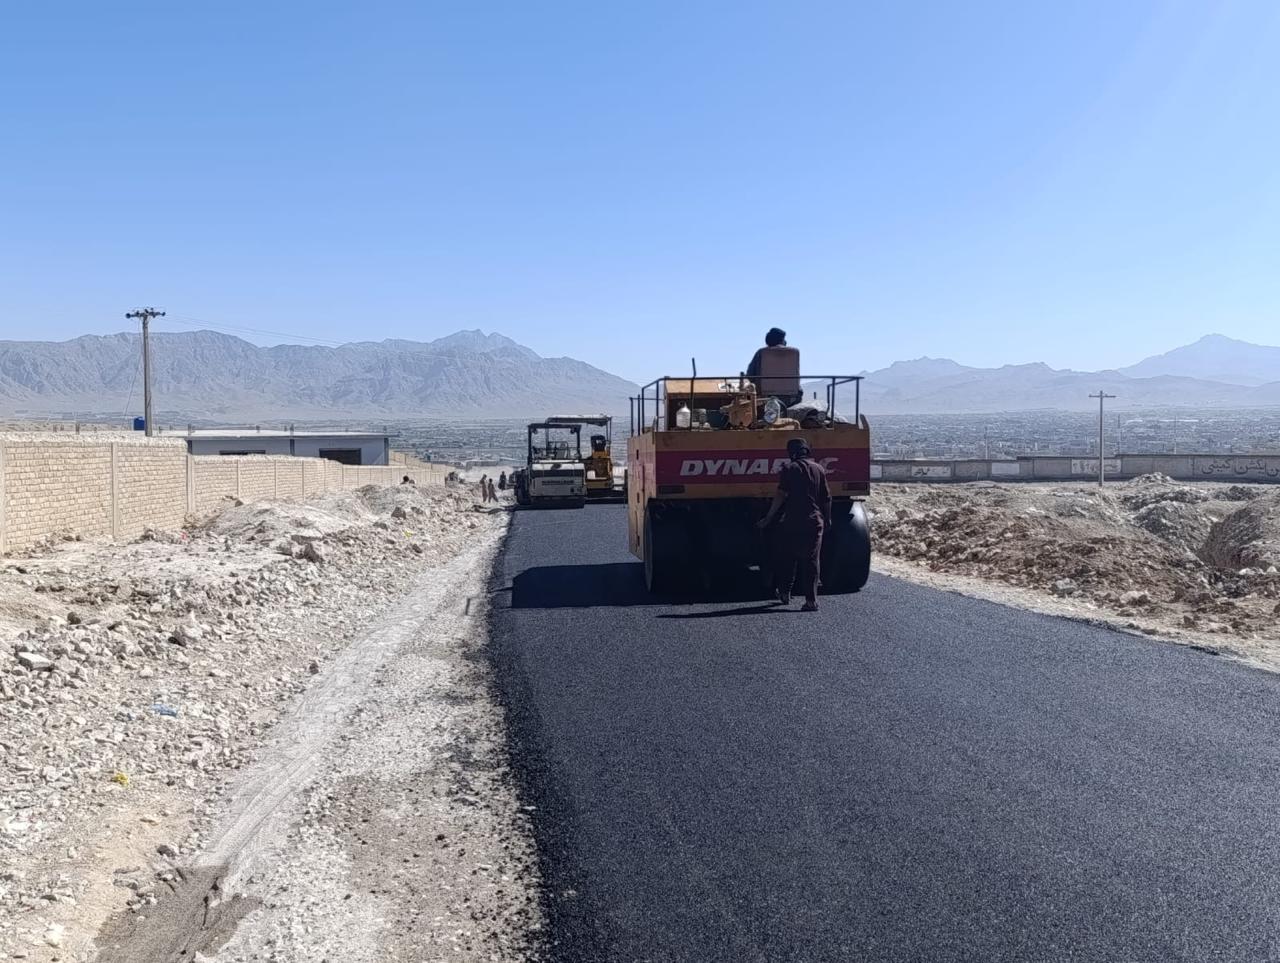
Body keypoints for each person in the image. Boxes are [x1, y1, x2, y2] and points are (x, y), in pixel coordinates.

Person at [757, 438, 831, 611]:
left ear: (791, 453)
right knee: (812, 559)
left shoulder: (789, 469)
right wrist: (827, 518)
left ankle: (785, 593)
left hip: (792, 521)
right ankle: (811, 601)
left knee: (788, 557)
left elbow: (781, 495)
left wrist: (768, 518)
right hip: (814, 521)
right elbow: (826, 497)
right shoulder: (819, 469)